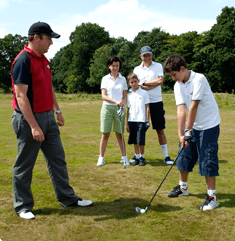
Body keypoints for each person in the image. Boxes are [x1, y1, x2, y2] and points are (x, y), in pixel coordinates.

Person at [11, 22, 92, 220]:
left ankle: (67, 198)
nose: (51, 43)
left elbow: (49, 87)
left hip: (48, 117)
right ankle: (22, 206)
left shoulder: (44, 60)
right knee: (24, 165)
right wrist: (33, 126)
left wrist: (58, 110)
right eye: (49, 39)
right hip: (29, 119)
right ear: (37, 37)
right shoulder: (22, 61)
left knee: (58, 160)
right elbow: (21, 96)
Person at [163, 54, 221, 211]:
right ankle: (183, 188)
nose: (173, 78)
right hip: (193, 126)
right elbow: (181, 109)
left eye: (174, 75)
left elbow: (194, 106)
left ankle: (212, 197)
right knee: (183, 155)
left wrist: (188, 130)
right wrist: (181, 134)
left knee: (207, 159)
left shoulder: (199, 79)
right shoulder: (178, 85)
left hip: (209, 125)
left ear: (182, 69)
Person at [133, 46, 173, 165]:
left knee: (160, 130)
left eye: (148, 55)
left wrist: (144, 83)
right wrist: (151, 84)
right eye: (144, 55)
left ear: (152, 55)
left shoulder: (158, 66)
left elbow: (160, 81)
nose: (147, 58)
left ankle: (166, 156)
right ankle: (139, 156)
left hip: (156, 101)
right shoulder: (137, 69)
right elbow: (136, 84)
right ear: (141, 56)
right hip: (141, 101)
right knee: (140, 130)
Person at [97, 56, 129, 166]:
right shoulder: (105, 79)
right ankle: (101, 158)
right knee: (105, 134)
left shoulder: (123, 79)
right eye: (113, 66)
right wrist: (116, 101)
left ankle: (124, 157)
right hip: (107, 108)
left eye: (117, 66)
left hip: (119, 108)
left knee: (119, 134)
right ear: (109, 66)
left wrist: (123, 104)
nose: (115, 68)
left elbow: (125, 95)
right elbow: (104, 96)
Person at [126, 73, 150, 166]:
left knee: (140, 140)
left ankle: (142, 157)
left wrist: (147, 121)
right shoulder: (129, 95)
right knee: (134, 140)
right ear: (129, 83)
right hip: (132, 120)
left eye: (135, 81)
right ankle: (136, 156)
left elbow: (147, 107)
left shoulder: (144, 93)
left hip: (141, 120)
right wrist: (126, 123)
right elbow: (128, 109)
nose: (134, 84)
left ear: (138, 81)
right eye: (132, 82)